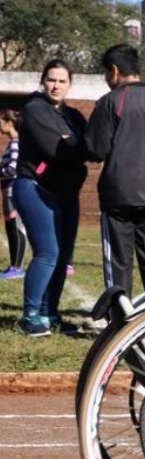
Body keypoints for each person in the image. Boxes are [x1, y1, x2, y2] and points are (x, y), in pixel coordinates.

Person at [85, 43, 145, 298]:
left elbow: (95, 149)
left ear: (114, 71)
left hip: (118, 198)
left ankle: (118, 319)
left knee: (118, 260)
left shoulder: (110, 102)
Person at [11, 60, 88, 336]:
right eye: (51, 80)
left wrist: (70, 140)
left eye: (62, 81)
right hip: (34, 188)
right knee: (48, 252)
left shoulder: (75, 116)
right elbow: (54, 149)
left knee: (64, 254)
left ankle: (50, 313)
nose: (56, 86)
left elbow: (88, 147)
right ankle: (30, 315)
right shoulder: (34, 109)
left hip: (67, 193)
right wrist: (70, 142)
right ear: (43, 81)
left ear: (70, 84)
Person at [0, 109, 27, 280]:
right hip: (7, 190)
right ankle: (13, 265)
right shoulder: (12, 143)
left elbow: (12, 170)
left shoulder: (17, 143)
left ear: (9, 123)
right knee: (10, 227)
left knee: (16, 227)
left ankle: (17, 267)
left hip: (14, 191)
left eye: (1, 121)